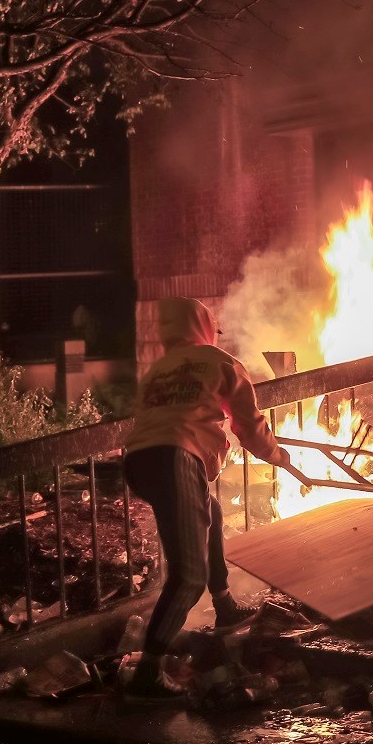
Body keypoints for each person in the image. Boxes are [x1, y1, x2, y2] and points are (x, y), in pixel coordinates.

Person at [122, 296, 291, 702]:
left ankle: (224, 603)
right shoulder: (221, 363)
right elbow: (248, 426)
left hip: (140, 460)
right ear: (204, 327)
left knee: (210, 510)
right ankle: (148, 672)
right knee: (188, 574)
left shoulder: (157, 370)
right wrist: (278, 455)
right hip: (176, 457)